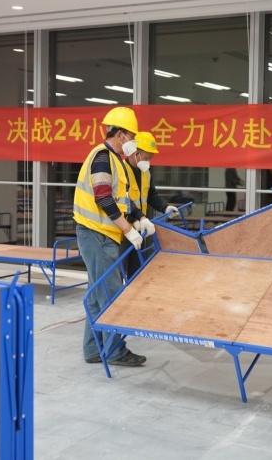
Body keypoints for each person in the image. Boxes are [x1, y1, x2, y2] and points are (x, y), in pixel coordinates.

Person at [73, 106, 152, 367]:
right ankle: (116, 352)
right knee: (111, 295)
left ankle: (93, 349)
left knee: (98, 294)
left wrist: (140, 217)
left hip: (101, 235)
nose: (133, 142)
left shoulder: (116, 161)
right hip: (97, 235)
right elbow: (103, 198)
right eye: (132, 136)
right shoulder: (102, 158)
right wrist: (128, 230)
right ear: (120, 135)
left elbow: (123, 200)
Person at [120, 131, 179, 277]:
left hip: (140, 229)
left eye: (151, 158)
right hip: (123, 231)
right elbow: (122, 200)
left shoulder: (145, 172)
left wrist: (164, 207)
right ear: (136, 153)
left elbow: (151, 195)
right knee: (117, 274)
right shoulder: (121, 170)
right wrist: (136, 218)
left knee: (136, 273)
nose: (149, 162)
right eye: (147, 157)